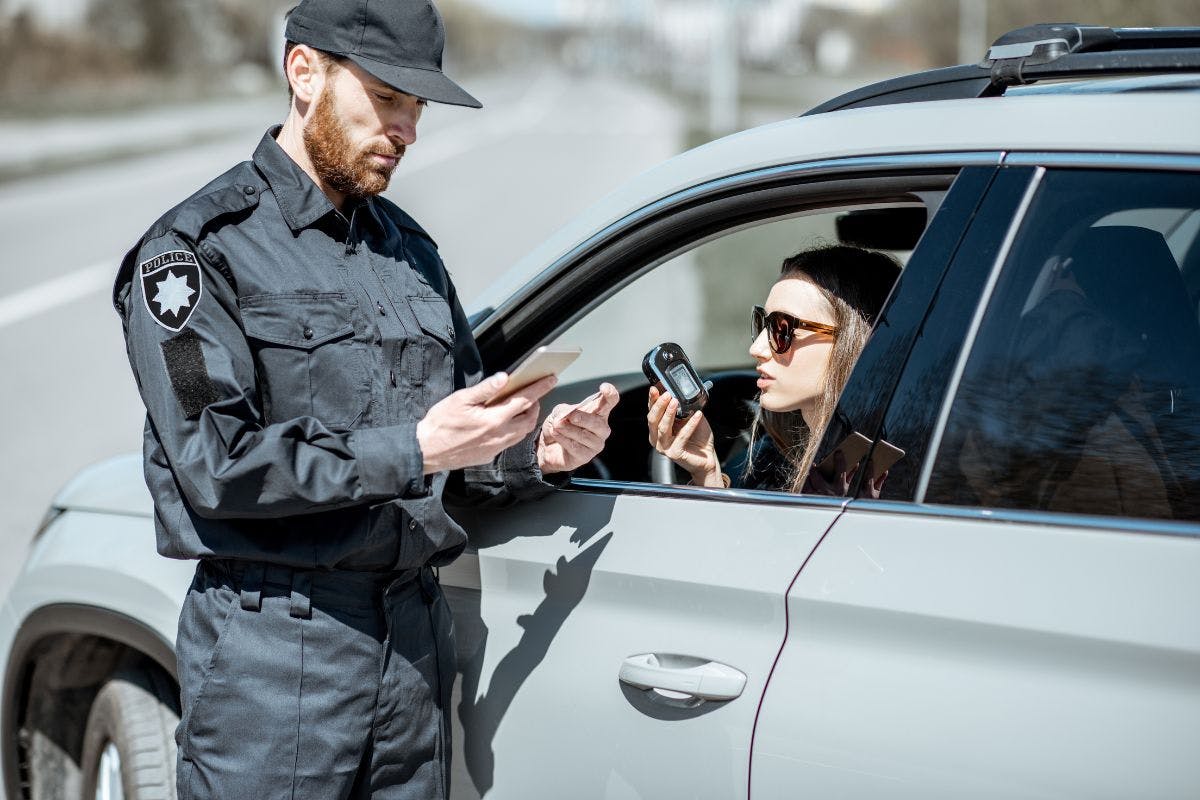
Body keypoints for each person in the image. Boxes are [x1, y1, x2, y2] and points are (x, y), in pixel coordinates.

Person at [111, 1, 617, 797]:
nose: (407, 129)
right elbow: (217, 462)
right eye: (387, 97)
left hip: (415, 647)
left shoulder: (410, 252)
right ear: (304, 71)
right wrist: (419, 448)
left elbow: (453, 438)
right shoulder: (194, 253)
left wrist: (531, 450)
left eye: (416, 108)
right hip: (275, 657)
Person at [647, 245, 898, 495]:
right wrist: (707, 472)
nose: (756, 348)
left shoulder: (881, 479)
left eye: (782, 328)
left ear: (852, 342)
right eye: (761, 323)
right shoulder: (776, 460)